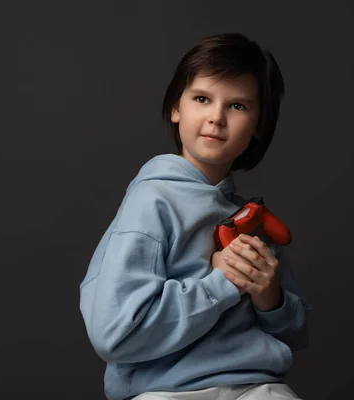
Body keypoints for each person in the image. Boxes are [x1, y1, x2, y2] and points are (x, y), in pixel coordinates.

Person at [79, 32, 312, 400]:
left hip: (257, 387)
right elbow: (114, 333)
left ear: (257, 127)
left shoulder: (251, 220)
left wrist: (271, 297)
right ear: (176, 108)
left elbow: (297, 335)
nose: (216, 118)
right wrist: (220, 283)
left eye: (237, 106)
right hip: (167, 392)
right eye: (202, 98)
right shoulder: (152, 201)